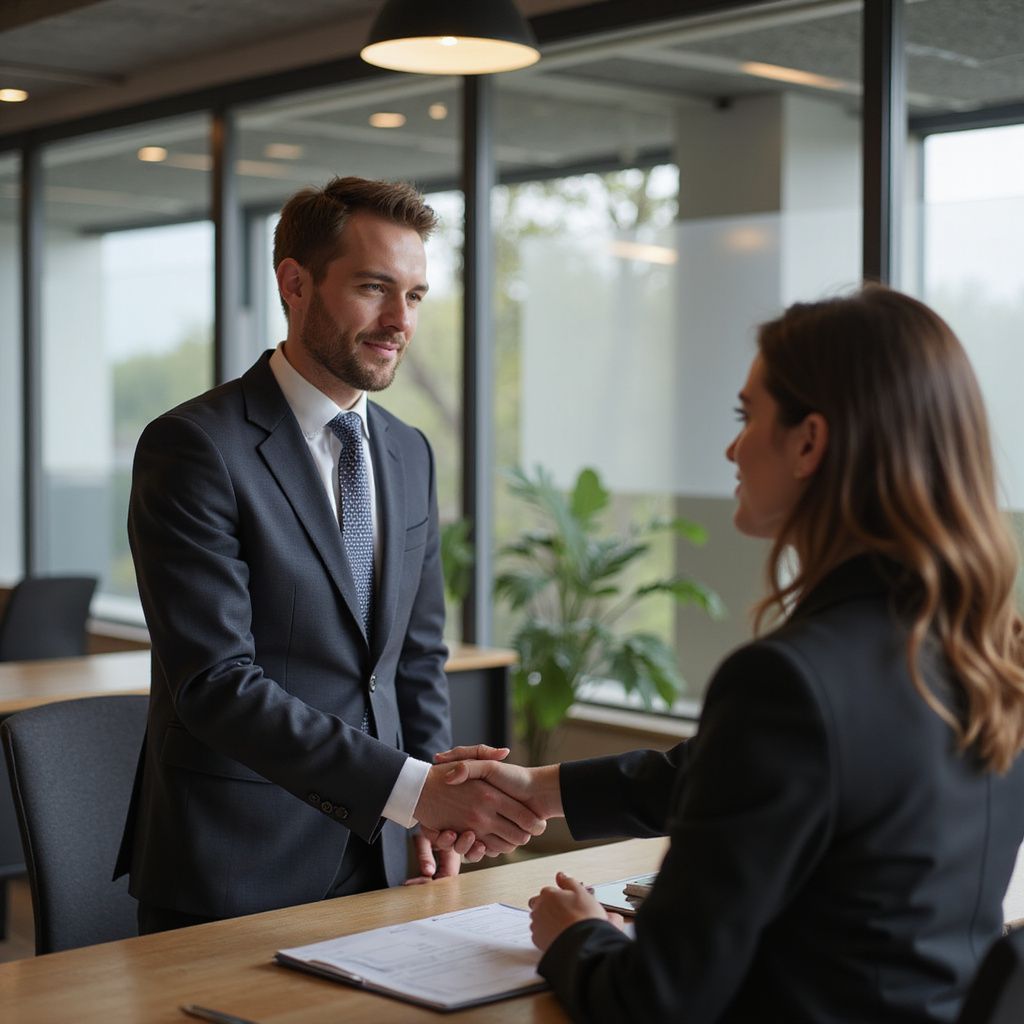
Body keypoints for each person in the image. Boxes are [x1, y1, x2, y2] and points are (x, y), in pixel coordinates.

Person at [432, 286, 1024, 1022]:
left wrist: (573, 936)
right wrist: (542, 790)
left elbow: (654, 1001)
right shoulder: (988, 652)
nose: (731, 448)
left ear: (811, 442)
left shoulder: (788, 681)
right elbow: (758, 774)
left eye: (748, 418)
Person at [115, 177, 543, 934]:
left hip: (383, 852)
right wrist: (411, 790)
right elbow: (216, 683)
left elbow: (414, 657)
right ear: (294, 283)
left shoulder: (409, 453)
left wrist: (428, 814)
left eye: (414, 296)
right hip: (236, 864)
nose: (398, 321)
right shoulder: (194, 447)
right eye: (374, 288)